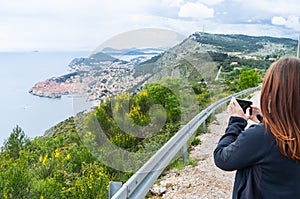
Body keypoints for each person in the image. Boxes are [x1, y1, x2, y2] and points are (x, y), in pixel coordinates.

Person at [214, 57, 300, 199]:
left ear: (273, 92)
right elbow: (288, 125)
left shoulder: (262, 136)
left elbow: (222, 158)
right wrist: (263, 119)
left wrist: (236, 121)